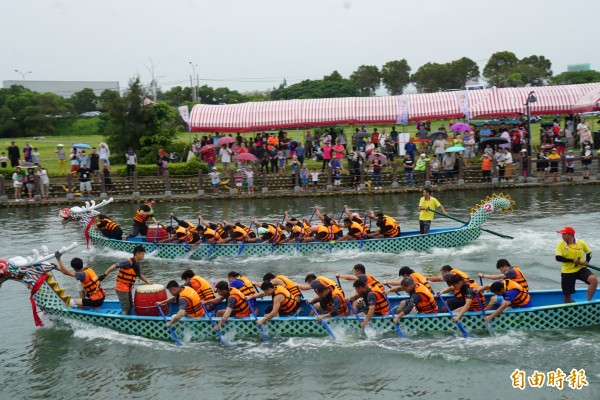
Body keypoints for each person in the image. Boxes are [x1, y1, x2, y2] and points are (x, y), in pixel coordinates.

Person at [98, 245, 153, 315]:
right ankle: (123, 321)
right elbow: (114, 266)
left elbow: (139, 275)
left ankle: (128, 318)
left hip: (128, 288)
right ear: (137, 253)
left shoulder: (136, 264)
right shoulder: (128, 263)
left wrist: (148, 282)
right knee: (126, 308)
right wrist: (104, 275)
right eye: (143, 254)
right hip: (121, 288)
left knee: (130, 306)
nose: (143, 256)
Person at [555, 226, 597, 303]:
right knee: (567, 295)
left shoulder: (581, 243)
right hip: (567, 272)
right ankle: (569, 310)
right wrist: (571, 260)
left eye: (564, 234)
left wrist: (587, 261)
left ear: (570, 235)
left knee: (593, 280)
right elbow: (558, 258)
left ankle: (588, 302)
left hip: (580, 269)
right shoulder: (561, 244)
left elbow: (589, 253)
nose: (562, 236)